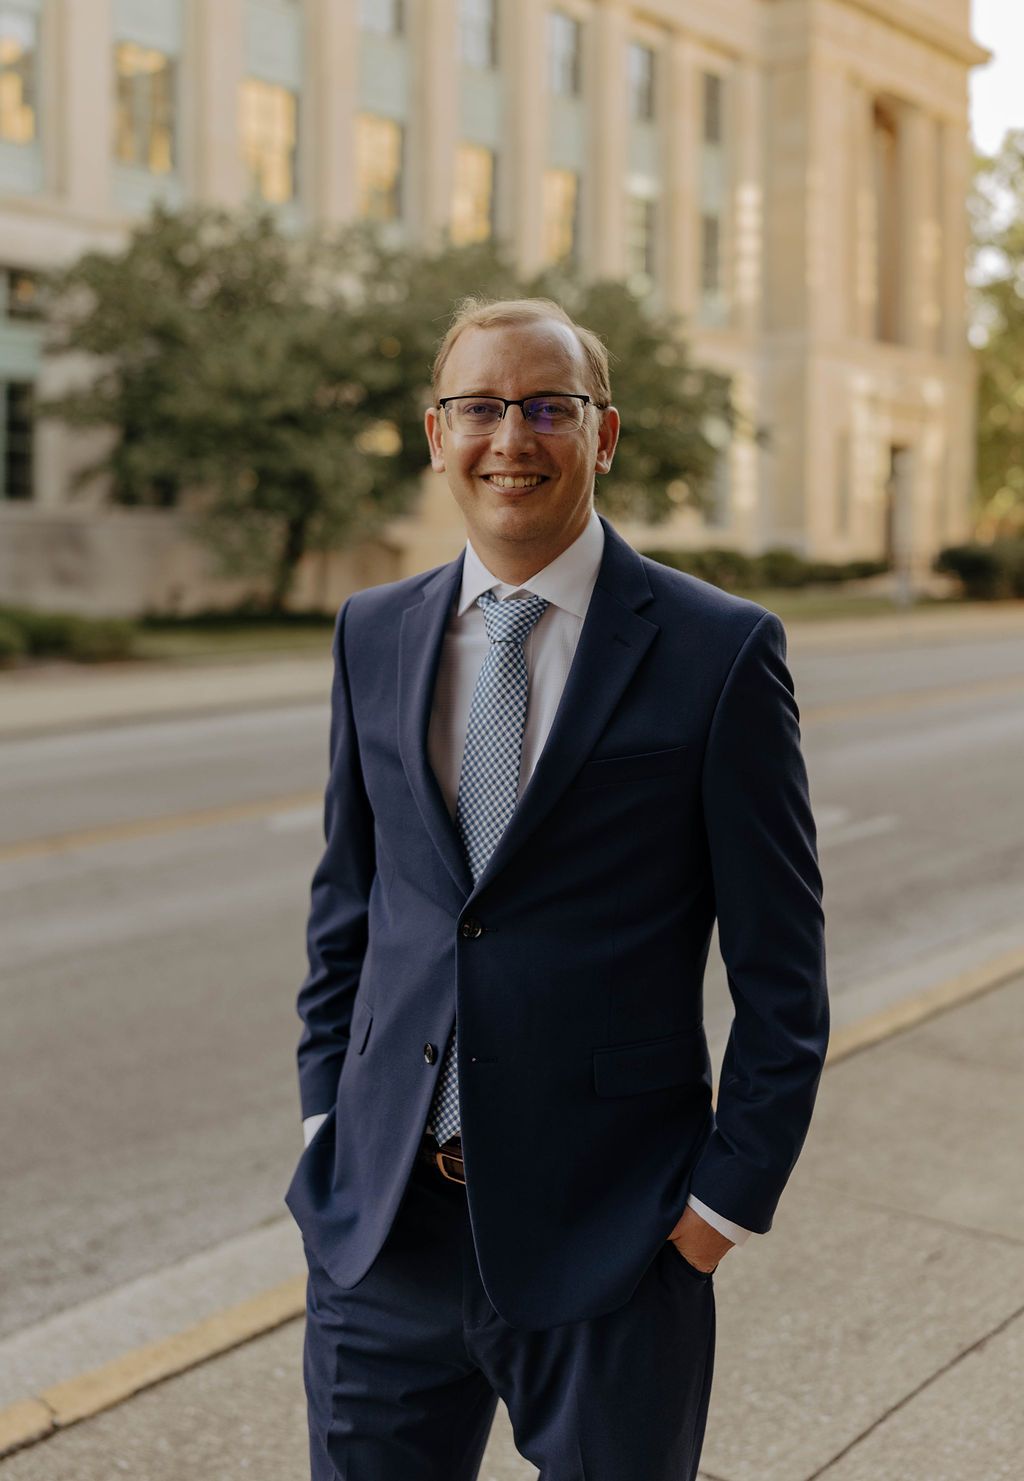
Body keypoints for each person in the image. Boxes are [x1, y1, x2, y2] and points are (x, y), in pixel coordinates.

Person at [286, 297, 829, 1481]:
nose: (510, 437)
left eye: (547, 406)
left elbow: (781, 971)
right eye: (480, 406)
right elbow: (350, 902)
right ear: (436, 435)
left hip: (614, 1239)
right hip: (383, 1234)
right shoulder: (372, 632)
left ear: (605, 433)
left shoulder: (717, 648)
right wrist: (328, 1119)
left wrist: (717, 1209)